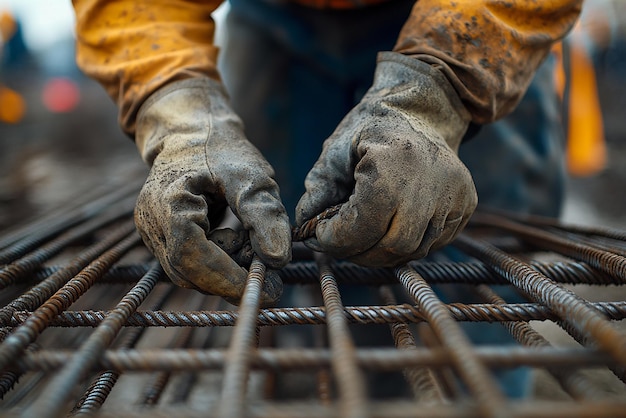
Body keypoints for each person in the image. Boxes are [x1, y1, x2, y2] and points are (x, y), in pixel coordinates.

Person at [71, 0, 583, 305]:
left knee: (484, 283)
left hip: (468, 17)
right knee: (301, 266)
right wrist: (179, 116)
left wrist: (440, 92)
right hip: (274, 19)